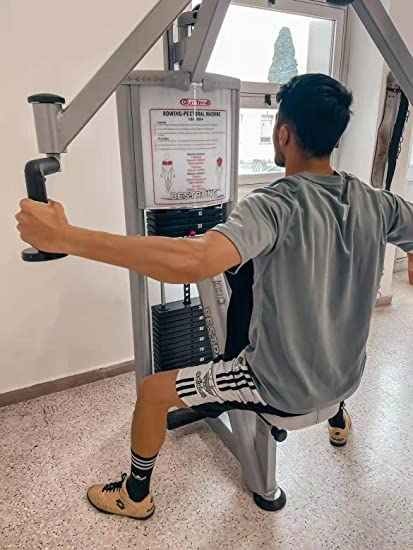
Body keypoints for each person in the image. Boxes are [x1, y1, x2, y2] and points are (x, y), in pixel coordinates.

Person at [16, 74, 413, 520]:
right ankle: (337, 422)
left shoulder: (272, 205)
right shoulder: (378, 203)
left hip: (277, 388)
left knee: (152, 392)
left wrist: (66, 237)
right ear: (335, 136)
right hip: (347, 378)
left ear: (283, 134)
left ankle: (135, 495)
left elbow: (194, 261)